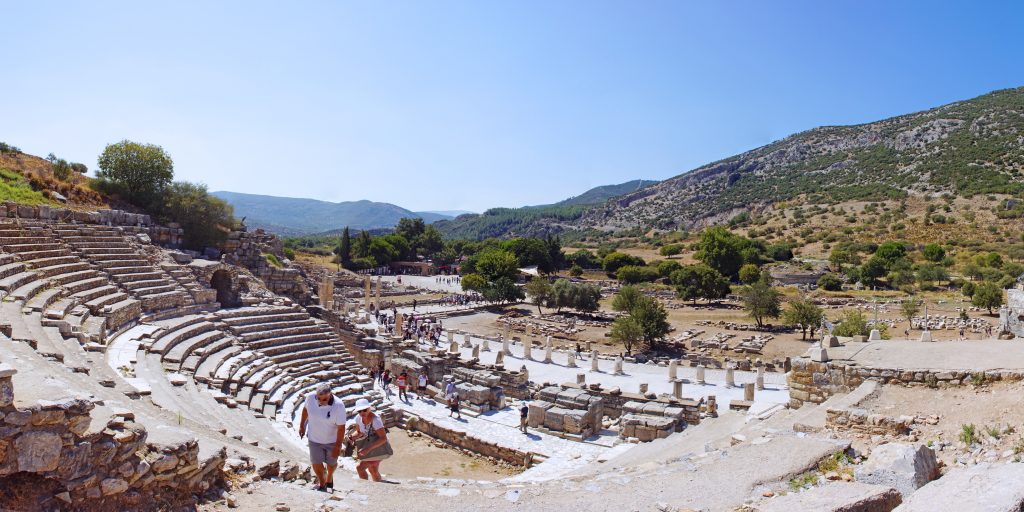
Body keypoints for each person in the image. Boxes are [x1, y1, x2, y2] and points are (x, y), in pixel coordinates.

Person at [298, 383, 346, 492]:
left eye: (323, 399)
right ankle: (322, 483)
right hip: (314, 438)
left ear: (330, 395)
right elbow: (305, 410)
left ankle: (329, 477)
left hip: (331, 441)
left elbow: (341, 428)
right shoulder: (310, 398)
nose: (320, 401)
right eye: (318, 398)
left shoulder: (338, 405)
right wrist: (302, 426)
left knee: (331, 463)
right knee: (316, 462)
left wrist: (338, 447)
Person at [350, 398, 390, 482]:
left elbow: (383, 438)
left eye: (364, 410)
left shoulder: (376, 420)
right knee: (373, 470)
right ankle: (378, 485)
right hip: (369, 447)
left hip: (377, 447)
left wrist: (367, 449)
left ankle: (368, 486)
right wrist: (352, 437)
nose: (362, 413)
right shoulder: (358, 418)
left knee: (361, 468)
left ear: (369, 409)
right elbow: (359, 432)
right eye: (359, 411)